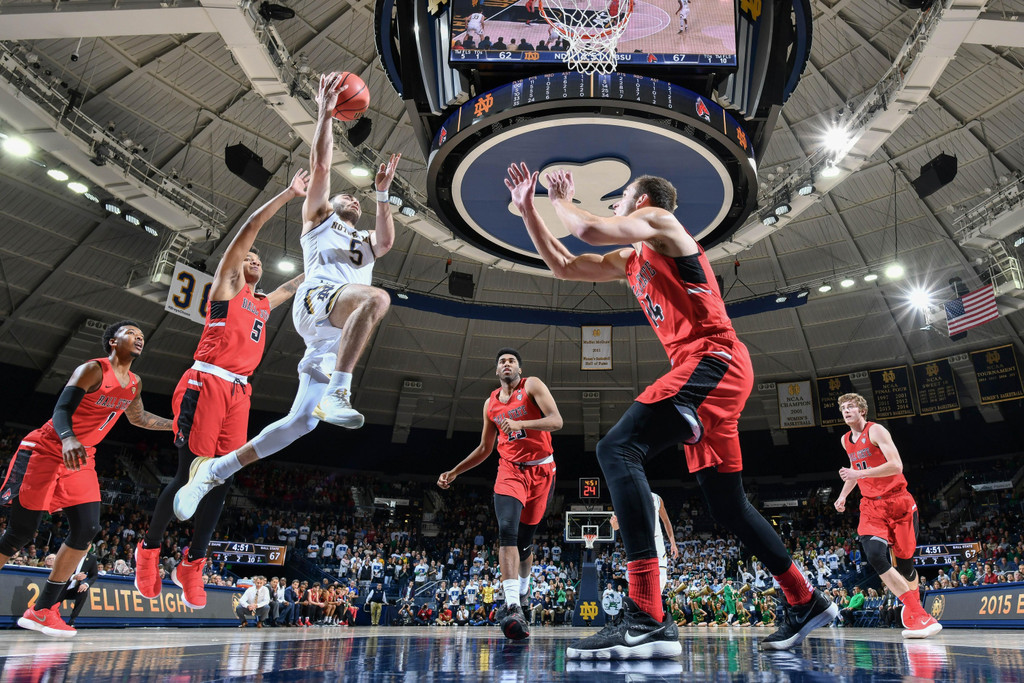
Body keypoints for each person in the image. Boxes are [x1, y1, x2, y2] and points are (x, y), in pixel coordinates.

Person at [505, 162, 838, 659]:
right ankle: (804, 599)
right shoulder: (633, 258)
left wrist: (560, 198)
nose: (616, 202)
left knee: (617, 448)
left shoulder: (661, 223)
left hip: (713, 360)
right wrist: (530, 209)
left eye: (622, 197)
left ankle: (647, 616)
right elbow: (565, 264)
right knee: (728, 506)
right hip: (706, 374)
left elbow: (587, 228)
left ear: (642, 201)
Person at [171, 74, 402, 520]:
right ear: (330, 204)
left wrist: (382, 194)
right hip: (318, 299)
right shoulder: (319, 219)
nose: (351, 200)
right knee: (378, 299)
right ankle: (340, 390)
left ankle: (214, 472)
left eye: (357, 200)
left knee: (300, 424)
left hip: (331, 337)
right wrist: (325, 116)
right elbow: (320, 167)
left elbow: (387, 242)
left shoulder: (364, 240)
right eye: (346, 196)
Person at [134, 171, 308, 610]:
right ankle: (149, 550)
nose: (254, 260)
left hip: (239, 394)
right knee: (188, 473)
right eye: (249, 258)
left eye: (257, 261)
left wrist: (339, 257)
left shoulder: (263, 304)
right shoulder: (225, 289)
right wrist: (289, 195)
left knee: (222, 479)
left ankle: (192, 564)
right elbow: (247, 232)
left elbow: (298, 282)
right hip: (206, 382)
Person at [0, 321, 172, 637]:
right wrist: (67, 438)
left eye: (141, 336)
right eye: (131, 333)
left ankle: (42, 610)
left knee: (87, 528)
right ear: (111, 341)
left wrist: (174, 426)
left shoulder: (134, 383)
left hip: (82, 456)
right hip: (49, 446)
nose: (138, 337)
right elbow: (62, 409)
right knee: (20, 533)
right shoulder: (93, 369)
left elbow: (138, 418)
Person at [437, 348, 563, 641]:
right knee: (507, 530)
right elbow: (484, 449)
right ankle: (513, 605)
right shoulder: (490, 404)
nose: (507, 364)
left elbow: (556, 421)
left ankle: (523, 589)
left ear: (519, 368)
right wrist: (455, 471)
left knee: (525, 542)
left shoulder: (531, 386)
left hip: (542, 471)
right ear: (497, 371)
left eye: (512, 361)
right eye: (502, 362)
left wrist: (521, 424)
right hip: (510, 471)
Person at [834, 393, 942, 638]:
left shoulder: (877, 431)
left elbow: (896, 465)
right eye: (842, 408)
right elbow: (856, 472)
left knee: (905, 564)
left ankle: (916, 610)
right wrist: (842, 496)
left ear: (862, 410)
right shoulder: (845, 440)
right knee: (874, 555)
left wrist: (857, 475)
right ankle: (917, 613)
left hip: (899, 502)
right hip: (871, 506)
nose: (846, 411)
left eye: (851, 406)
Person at [58, 548, 99, 628]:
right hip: (62, 586)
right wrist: (74, 577)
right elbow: (60, 570)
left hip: (74, 588)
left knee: (84, 592)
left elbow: (94, 575)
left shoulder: (92, 558)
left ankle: (72, 620)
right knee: (54, 604)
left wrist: (86, 584)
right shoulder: (71, 554)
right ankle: (48, 617)